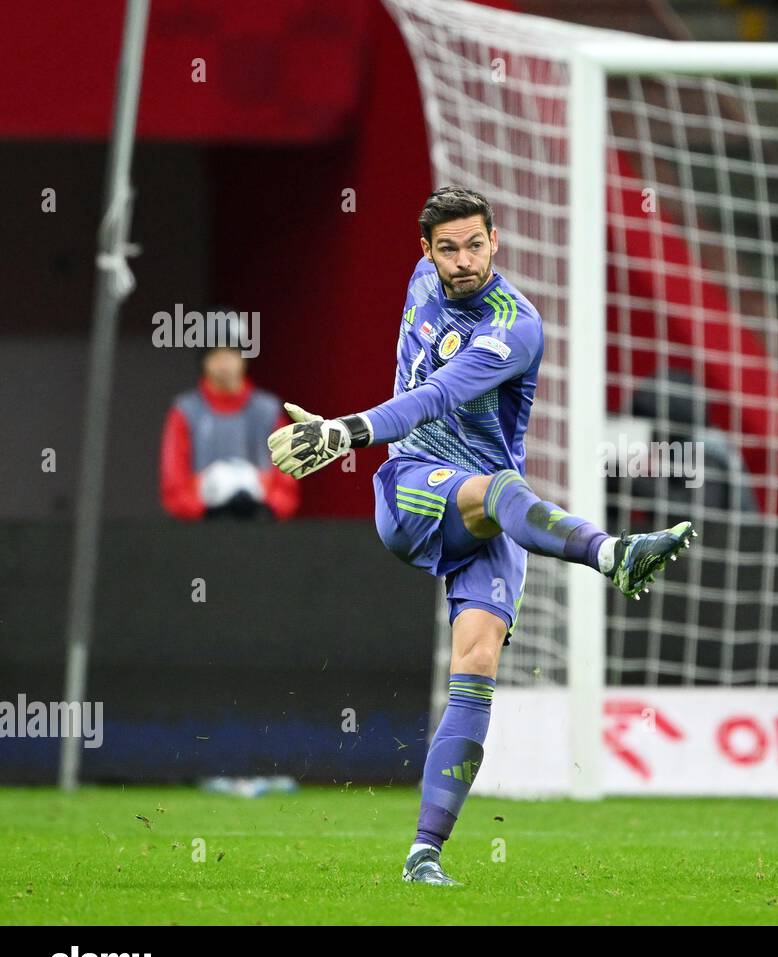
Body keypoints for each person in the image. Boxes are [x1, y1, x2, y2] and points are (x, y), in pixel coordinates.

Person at [267, 187, 695, 887]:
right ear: (425, 252)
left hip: (491, 506)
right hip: (412, 486)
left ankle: (424, 854)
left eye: (474, 245)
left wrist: (345, 429)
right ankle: (611, 553)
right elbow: (422, 403)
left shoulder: (515, 326)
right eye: (447, 249)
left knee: (476, 667)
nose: (462, 261)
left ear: (496, 241)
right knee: (500, 494)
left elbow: (438, 394)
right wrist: (356, 434)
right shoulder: (423, 282)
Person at [161, 341, 299, 520]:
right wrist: (204, 511)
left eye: (231, 353)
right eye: (216, 354)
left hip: (260, 528)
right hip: (200, 531)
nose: (224, 363)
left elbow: (287, 483)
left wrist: (267, 510)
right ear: (204, 361)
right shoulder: (185, 412)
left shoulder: (268, 411)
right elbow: (174, 487)